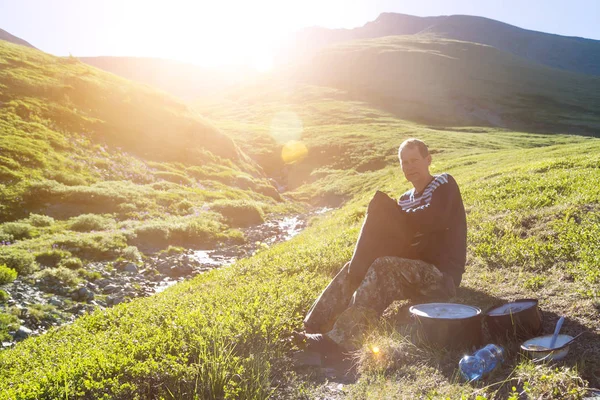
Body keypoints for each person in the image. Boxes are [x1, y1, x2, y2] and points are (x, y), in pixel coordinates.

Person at [297, 138, 467, 353]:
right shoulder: (405, 199)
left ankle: (341, 339)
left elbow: (435, 218)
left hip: (442, 277)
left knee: (383, 265)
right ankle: (313, 326)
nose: (409, 167)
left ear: (428, 160)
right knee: (355, 266)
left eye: (414, 160)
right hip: (410, 273)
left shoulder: (443, 184)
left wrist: (394, 215)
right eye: (404, 162)